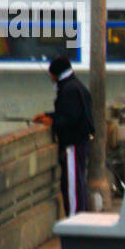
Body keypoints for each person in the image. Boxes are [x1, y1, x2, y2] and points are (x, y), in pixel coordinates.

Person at [33, 53, 95, 216]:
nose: (51, 79)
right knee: (77, 183)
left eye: (51, 76)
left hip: (72, 145)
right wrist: (50, 116)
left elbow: (70, 118)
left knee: (73, 186)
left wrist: (53, 121)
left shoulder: (69, 90)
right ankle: (80, 219)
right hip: (80, 143)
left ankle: (75, 223)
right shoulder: (76, 86)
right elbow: (70, 112)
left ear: (56, 74)